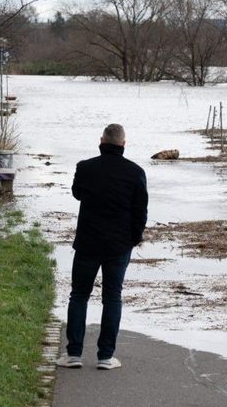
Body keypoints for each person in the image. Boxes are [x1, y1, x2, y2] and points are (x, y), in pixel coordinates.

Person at [56, 123, 148, 370]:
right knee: (112, 297)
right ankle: (106, 356)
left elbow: (77, 193)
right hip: (119, 245)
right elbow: (141, 211)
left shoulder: (85, 168)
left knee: (79, 295)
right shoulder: (135, 172)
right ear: (123, 144)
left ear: (101, 141)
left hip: (88, 241)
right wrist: (135, 237)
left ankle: (74, 353)